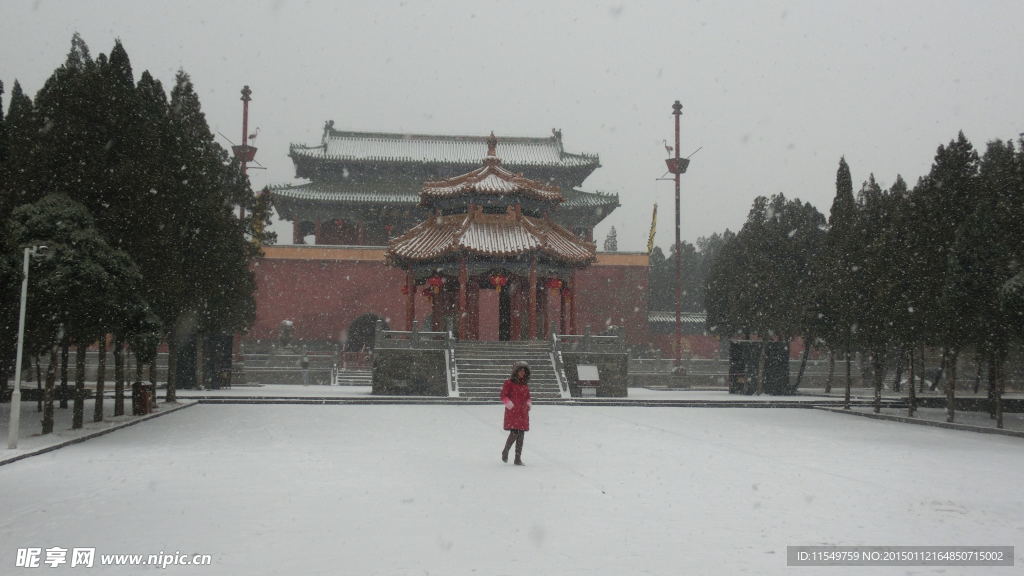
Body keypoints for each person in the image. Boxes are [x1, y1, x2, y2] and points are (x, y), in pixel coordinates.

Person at [500, 361, 532, 466]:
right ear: (516, 371)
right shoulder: (509, 383)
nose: (522, 372)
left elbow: (528, 397)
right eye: (520, 370)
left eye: (524, 371)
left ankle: (517, 458)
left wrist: (528, 404)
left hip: (523, 412)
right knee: (514, 432)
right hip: (513, 412)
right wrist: (510, 404)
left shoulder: (525, 385)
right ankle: (506, 450)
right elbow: (503, 396)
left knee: (521, 434)